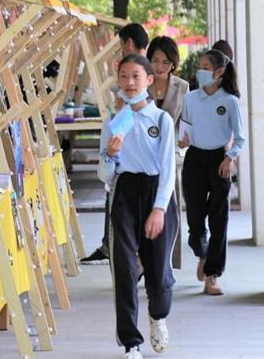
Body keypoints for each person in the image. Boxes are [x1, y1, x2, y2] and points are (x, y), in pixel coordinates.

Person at [99, 54, 177, 358]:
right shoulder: (114, 122)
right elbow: (105, 176)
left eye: (135, 77)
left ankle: (158, 316)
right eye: (123, 77)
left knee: (159, 275)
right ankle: (131, 343)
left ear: (148, 80)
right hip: (124, 194)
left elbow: (169, 170)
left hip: (157, 193)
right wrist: (109, 154)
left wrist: (158, 209)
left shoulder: (161, 121)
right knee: (125, 270)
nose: (129, 83)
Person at [179, 49, 246, 295]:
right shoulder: (191, 98)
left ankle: (212, 275)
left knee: (219, 219)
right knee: (195, 219)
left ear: (219, 71)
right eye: (200, 66)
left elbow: (240, 138)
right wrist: (182, 141)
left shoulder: (230, 101)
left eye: (206, 67)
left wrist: (229, 158)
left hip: (220, 159)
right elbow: (184, 130)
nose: (201, 71)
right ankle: (202, 253)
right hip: (194, 158)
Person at [80, 23, 148, 265]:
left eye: (121, 45)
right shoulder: (139, 68)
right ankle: (120, 251)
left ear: (128, 43)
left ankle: (128, 255)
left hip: (129, 154)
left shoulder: (135, 68)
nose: (129, 83)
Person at [146, 36, 189, 269]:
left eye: (165, 62)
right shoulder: (142, 84)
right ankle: (144, 259)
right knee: (146, 207)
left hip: (171, 155)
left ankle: (169, 261)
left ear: (173, 63)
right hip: (144, 154)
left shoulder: (182, 86)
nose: (160, 66)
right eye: (155, 60)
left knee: (171, 208)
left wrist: (185, 139)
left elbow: (186, 121)